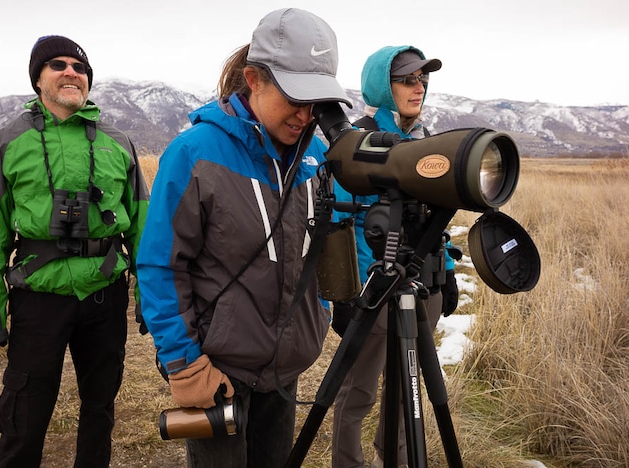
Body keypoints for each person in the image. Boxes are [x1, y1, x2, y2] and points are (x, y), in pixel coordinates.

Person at [136, 8, 351, 468]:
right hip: (218, 372)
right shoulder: (193, 154)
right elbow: (159, 266)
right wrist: (184, 363)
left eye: (317, 101)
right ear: (254, 79)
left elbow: (328, 242)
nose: (306, 114)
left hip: (286, 369)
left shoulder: (318, 155)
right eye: (296, 96)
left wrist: (322, 310)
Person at [0, 35, 149, 467]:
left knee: (100, 407)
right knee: (24, 415)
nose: (72, 72)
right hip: (38, 296)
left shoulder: (118, 141)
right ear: (37, 79)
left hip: (104, 294)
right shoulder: (5, 143)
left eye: (80, 67)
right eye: (58, 65)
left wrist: (151, 301)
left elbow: (144, 229)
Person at [330, 45, 458, 468]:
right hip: (374, 291)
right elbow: (339, 221)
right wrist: (347, 294)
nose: (418, 87)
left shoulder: (425, 141)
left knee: (410, 393)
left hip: (424, 289)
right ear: (382, 86)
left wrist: (449, 272)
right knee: (357, 395)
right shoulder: (358, 144)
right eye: (406, 79)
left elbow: (435, 218)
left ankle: (399, 460)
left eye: (422, 79)